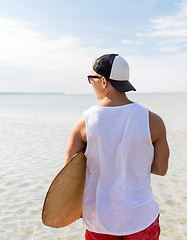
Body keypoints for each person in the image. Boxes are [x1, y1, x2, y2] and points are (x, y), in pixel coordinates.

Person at [65, 54, 169, 240]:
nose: (91, 84)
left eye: (92, 79)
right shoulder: (153, 121)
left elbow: (69, 178)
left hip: (99, 220)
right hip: (141, 218)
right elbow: (161, 169)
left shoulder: (84, 123)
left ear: (104, 81)